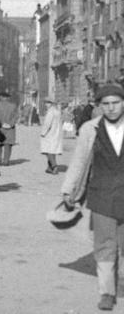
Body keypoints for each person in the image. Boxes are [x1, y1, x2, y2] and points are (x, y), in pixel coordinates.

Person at [61, 84, 124, 311]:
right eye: (105, 104)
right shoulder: (90, 128)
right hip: (102, 194)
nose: (111, 108)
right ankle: (107, 292)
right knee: (105, 245)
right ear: (99, 106)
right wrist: (69, 189)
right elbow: (79, 160)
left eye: (115, 103)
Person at [41, 98, 64, 174]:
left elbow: (48, 124)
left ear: (51, 104)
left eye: (47, 103)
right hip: (57, 133)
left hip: (50, 133)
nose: (46, 104)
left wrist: (43, 133)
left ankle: (54, 166)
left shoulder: (50, 112)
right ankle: (49, 167)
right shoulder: (57, 111)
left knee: (49, 151)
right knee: (53, 150)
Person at [0, 91, 19, 166]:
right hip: (10, 129)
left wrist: (1, 124)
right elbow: (16, 116)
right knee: (8, 145)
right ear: (7, 98)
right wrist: (10, 124)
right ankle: (6, 161)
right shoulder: (13, 105)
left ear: (0, 97)